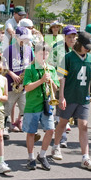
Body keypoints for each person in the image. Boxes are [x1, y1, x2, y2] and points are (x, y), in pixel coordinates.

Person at [53, 32, 91, 170]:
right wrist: (61, 97)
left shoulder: (90, 58)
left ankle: (85, 157)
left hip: (83, 97)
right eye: (86, 46)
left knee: (83, 125)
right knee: (63, 122)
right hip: (69, 96)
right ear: (79, 44)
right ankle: (56, 146)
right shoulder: (68, 58)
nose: (88, 49)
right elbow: (62, 79)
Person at [23, 41, 59, 171]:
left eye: (46, 53)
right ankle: (31, 157)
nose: (44, 55)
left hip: (47, 105)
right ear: (35, 54)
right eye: (41, 53)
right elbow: (27, 87)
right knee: (31, 132)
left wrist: (51, 82)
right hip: (32, 105)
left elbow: (56, 88)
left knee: (50, 130)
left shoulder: (51, 69)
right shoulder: (30, 69)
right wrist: (42, 80)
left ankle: (42, 155)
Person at [3, 27, 34, 133]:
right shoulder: (9, 49)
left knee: (25, 107)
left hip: (23, 84)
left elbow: (31, 64)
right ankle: (4, 127)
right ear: (16, 37)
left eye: (27, 39)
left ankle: (23, 125)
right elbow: (3, 65)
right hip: (11, 84)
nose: (25, 41)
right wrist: (12, 74)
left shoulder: (29, 50)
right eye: (23, 39)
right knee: (7, 107)